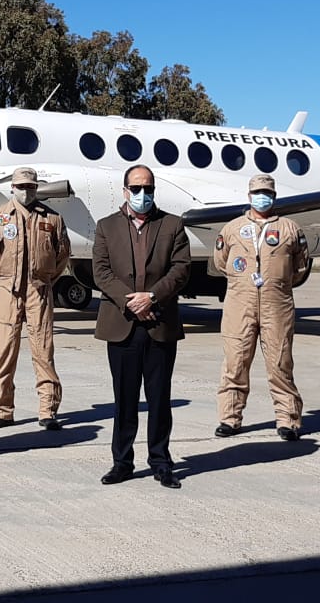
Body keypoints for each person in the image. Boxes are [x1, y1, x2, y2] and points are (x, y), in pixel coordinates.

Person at [92, 164, 191, 489]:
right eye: (136, 189)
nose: (142, 195)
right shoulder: (106, 227)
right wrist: (130, 301)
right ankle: (122, 462)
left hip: (160, 322)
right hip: (121, 324)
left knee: (160, 398)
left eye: (148, 188)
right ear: (125, 191)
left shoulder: (172, 225)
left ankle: (161, 462)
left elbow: (181, 269)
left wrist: (152, 297)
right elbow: (101, 272)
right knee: (125, 399)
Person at [213, 174, 310, 441]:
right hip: (239, 303)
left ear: (274, 195)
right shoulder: (232, 228)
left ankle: (288, 419)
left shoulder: (290, 228)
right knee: (235, 360)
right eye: (257, 192)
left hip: (276, 304)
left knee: (280, 362)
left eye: (267, 192)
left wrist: (277, 283)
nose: (262, 196)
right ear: (249, 196)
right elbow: (221, 262)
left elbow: (300, 267)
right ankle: (230, 418)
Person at [0, 167, 72, 431]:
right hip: (9, 291)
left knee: (43, 350)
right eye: (21, 186)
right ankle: (2, 410)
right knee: (5, 351)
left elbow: (61, 253)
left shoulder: (53, 219)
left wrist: (46, 279)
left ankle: (47, 410)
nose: (25, 191)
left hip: (39, 291)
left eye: (30, 187)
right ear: (12, 188)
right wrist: (3, 276)